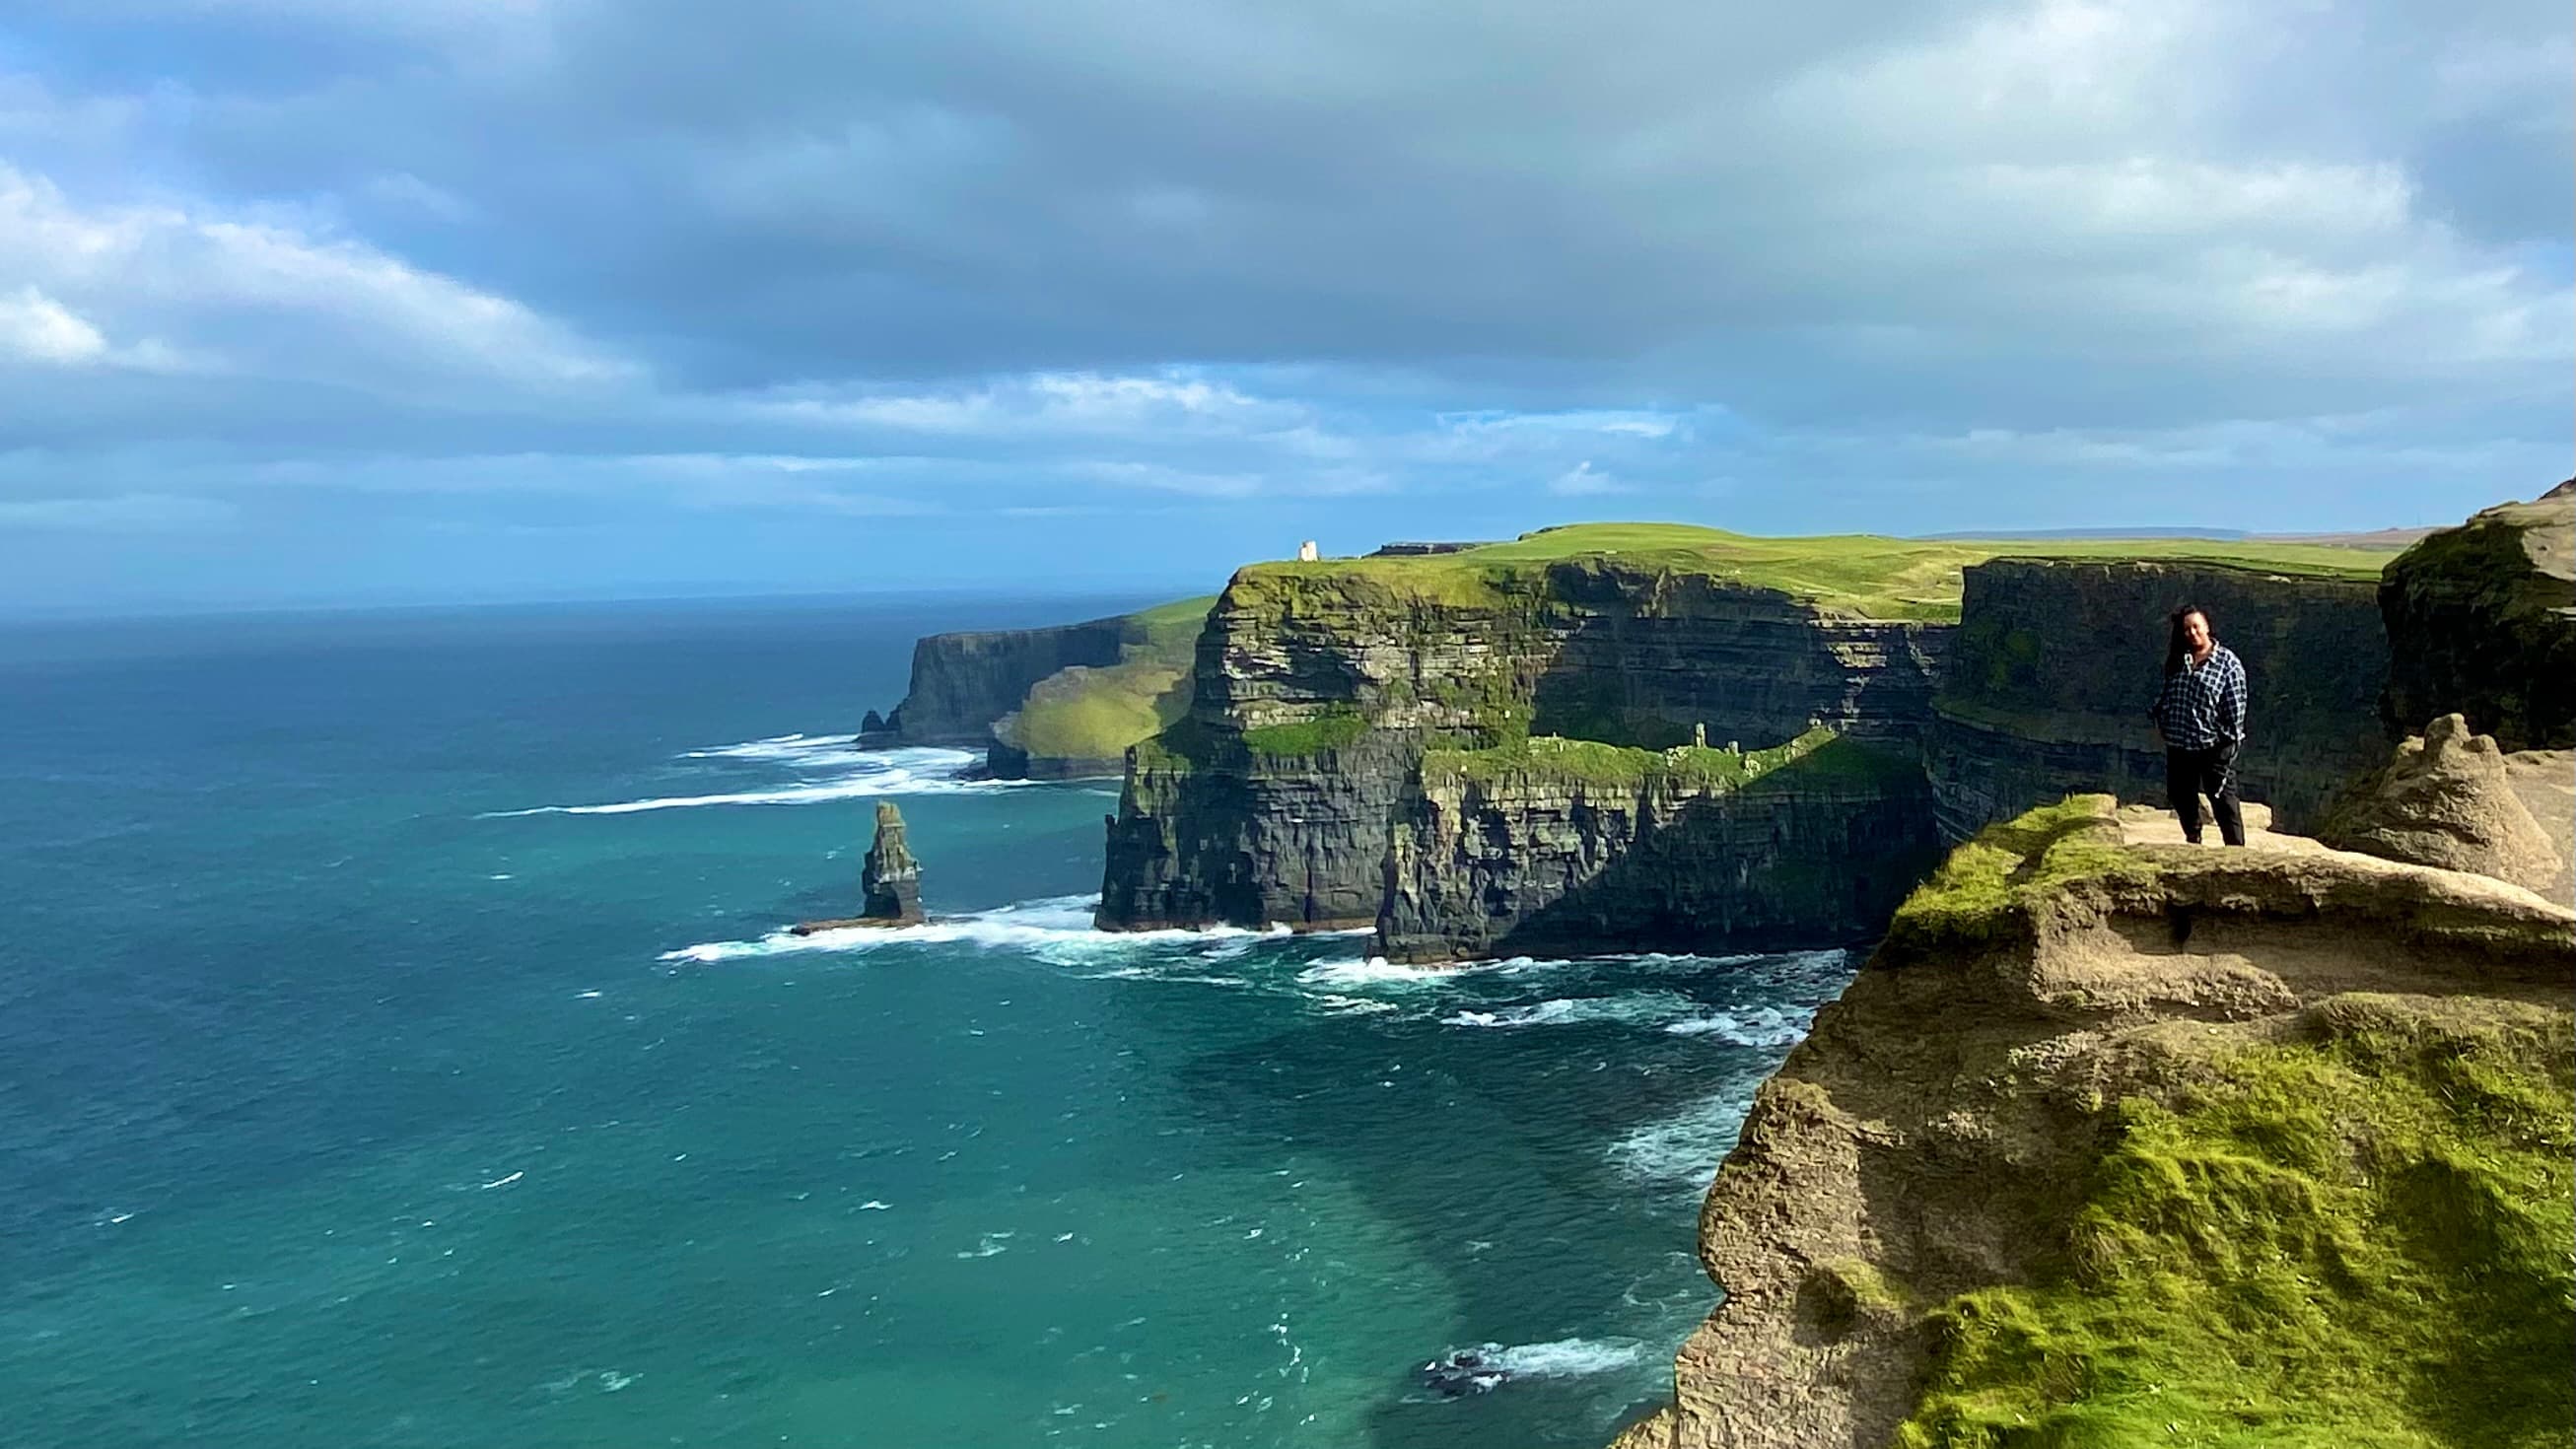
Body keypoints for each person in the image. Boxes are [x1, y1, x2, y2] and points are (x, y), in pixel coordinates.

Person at [2147, 603, 2248, 846]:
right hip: (2180, 742)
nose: (2192, 633)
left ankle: (2236, 851)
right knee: (2180, 794)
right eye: (2186, 629)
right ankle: (2193, 836)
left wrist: (2226, 741)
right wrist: (2162, 720)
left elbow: (2236, 707)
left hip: (2212, 745)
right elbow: (2167, 694)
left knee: (2222, 798)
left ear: (2207, 627)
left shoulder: (2227, 664)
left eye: (2196, 627)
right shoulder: (2178, 661)